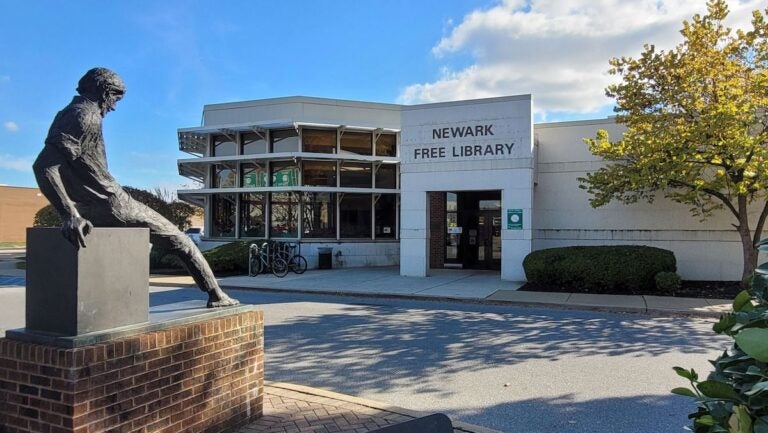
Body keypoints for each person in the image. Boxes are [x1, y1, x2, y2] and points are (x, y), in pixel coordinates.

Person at [33, 67, 238, 308]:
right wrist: (69, 214)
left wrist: (73, 211)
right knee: (182, 242)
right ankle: (217, 295)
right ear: (103, 91)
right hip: (113, 203)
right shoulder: (85, 116)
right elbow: (44, 166)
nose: (114, 106)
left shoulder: (69, 113)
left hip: (90, 207)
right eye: (115, 98)